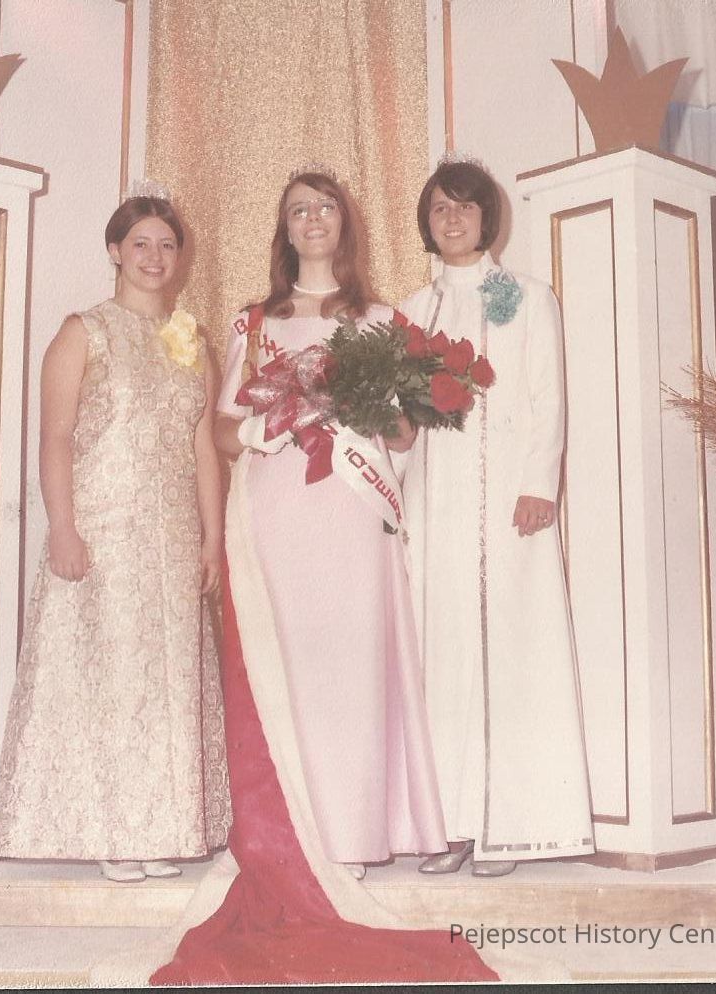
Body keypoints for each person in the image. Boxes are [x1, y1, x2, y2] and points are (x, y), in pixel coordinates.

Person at [143, 169, 496, 985]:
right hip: (274, 513)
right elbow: (221, 430)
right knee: (288, 672)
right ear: (284, 228)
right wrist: (264, 428)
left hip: (348, 510)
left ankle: (351, 834)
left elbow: (403, 437)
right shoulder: (254, 321)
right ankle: (284, 832)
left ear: (345, 223)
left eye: (325, 207)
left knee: (351, 671)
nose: (312, 219)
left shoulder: (380, 320)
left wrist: (359, 408)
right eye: (298, 209)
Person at [0, 191, 231, 882]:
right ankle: (114, 830)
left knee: (167, 683)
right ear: (115, 251)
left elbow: (203, 450)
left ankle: (162, 827)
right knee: (116, 678)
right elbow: (56, 437)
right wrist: (62, 528)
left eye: (167, 245)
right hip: (105, 531)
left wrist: (212, 540)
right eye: (141, 244)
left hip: (173, 536)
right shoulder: (83, 332)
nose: (154, 257)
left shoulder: (191, 341)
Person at [399, 158, 594, 877]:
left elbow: (548, 396)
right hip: (435, 507)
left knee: (510, 653)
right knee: (441, 654)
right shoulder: (412, 311)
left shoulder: (527, 297)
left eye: (465, 207)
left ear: (488, 218)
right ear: (428, 222)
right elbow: (400, 422)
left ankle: (505, 825)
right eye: (440, 208)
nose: (452, 219)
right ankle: (448, 823)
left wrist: (539, 483)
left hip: (512, 509)